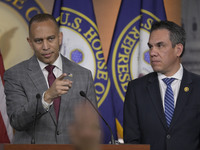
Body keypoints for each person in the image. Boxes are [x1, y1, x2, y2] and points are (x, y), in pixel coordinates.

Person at [4, 14, 96, 144]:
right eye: (38, 41)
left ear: (60, 38)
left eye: (51, 38)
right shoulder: (15, 75)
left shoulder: (83, 75)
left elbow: (91, 124)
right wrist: (46, 97)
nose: (46, 46)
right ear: (30, 42)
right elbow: (17, 121)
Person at [123, 21, 200, 150]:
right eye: (150, 46)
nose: (152, 53)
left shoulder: (197, 86)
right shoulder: (136, 89)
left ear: (178, 49)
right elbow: (132, 142)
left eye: (160, 46)